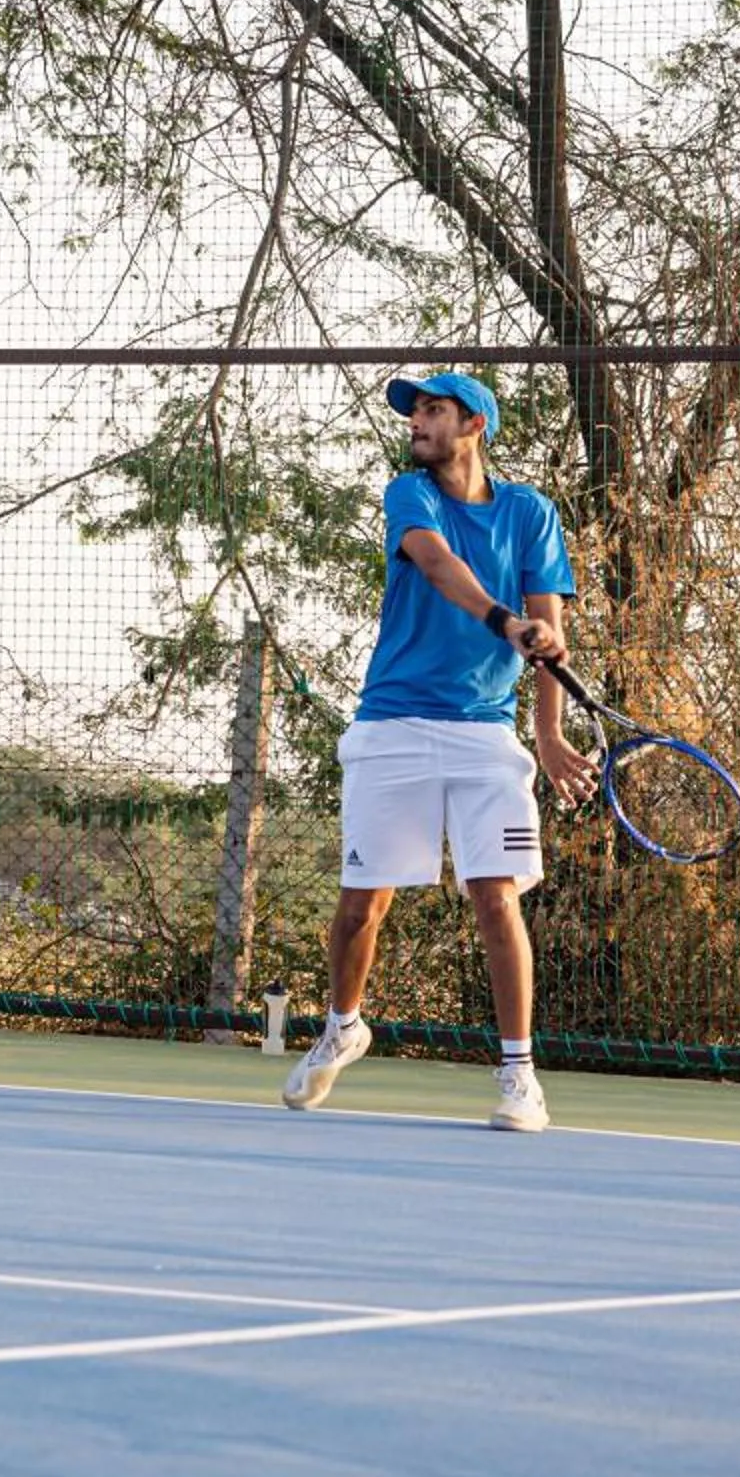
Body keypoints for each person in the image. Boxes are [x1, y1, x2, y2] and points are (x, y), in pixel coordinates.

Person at [283, 370, 596, 1132]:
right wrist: (502, 622)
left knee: (497, 897)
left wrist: (549, 735)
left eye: (432, 411)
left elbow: (547, 630)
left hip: (486, 734)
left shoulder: (529, 513)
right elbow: (434, 562)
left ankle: (520, 1074)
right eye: (414, 411)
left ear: (473, 425)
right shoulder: (409, 495)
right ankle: (343, 1025)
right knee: (364, 907)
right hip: (392, 724)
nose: (416, 422)